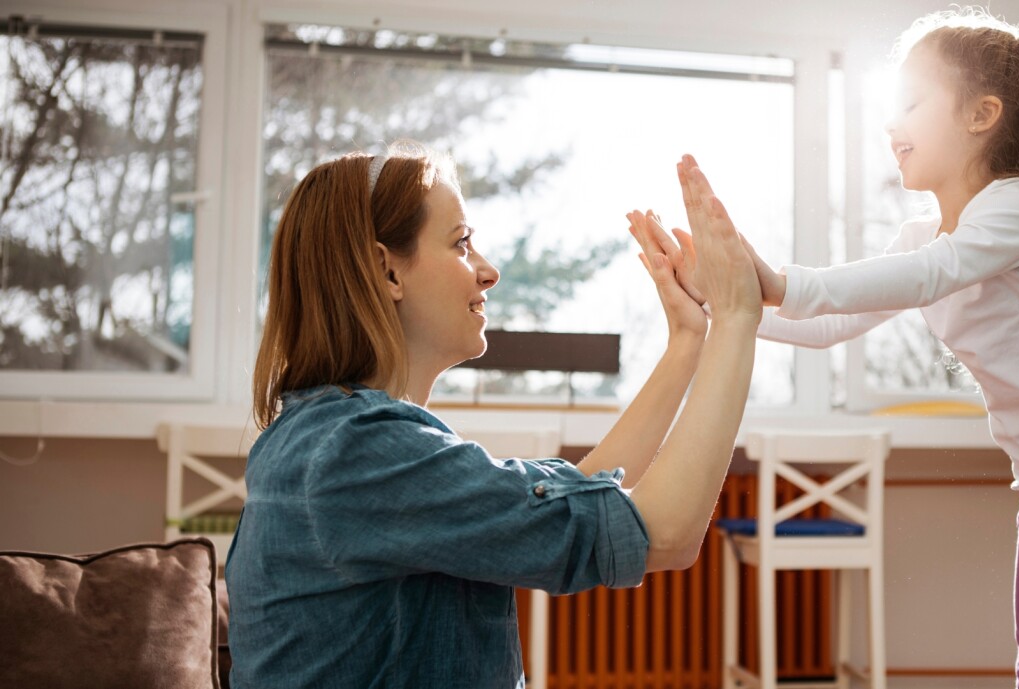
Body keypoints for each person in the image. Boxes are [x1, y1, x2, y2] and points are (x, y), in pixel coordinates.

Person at [644, 9, 1019, 689]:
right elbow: (825, 326)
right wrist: (718, 303)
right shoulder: (920, 236)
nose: (889, 123)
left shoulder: (1018, 207)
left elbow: (933, 273)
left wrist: (779, 281)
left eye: (910, 102)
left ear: (981, 114)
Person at [225, 141, 762, 688]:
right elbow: (664, 535)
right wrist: (738, 315)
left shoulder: (327, 435)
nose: (489, 272)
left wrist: (690, 339)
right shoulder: (358, 450)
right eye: (462, 244)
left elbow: (575, 490)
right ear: (386, 272)